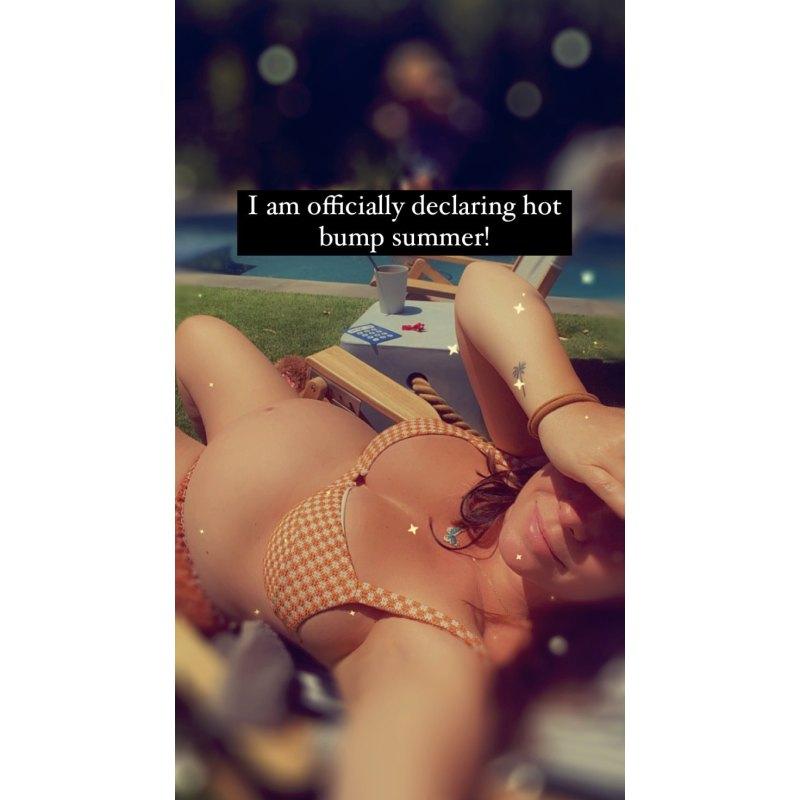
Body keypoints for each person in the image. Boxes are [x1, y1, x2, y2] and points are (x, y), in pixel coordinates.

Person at [175, 260, 624, 799]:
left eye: (627, 536)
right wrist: (566, 411)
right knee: (199, 332)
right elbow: (483, 287)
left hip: (192, 505)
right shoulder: (521, 467)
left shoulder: (439, 649)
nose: (579, 518)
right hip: (265, 414)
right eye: (605, 479)